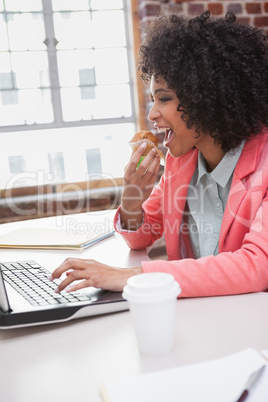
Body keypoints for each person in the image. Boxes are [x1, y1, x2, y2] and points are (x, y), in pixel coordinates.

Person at [50, 11, 268, 298]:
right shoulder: (182, 161)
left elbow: (256, 266)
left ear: (208, 98)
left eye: (164, 99)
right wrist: (131, 197)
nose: (152, 114)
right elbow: (140, 237)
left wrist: (131, 276)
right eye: (153, 99)